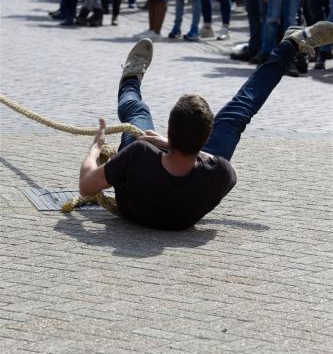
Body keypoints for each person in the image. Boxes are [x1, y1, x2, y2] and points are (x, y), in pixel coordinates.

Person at [78, 22, 333, 230]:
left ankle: (131, 77)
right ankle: (291, 44)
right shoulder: (219, 172)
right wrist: (169, 145)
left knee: (136, 111)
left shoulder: (140, 153)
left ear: (168, 128)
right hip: (187, 180)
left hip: (137, 201)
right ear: (206, 137)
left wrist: (95, 148)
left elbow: (86, 186)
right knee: (242, 108)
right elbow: (210, 161)